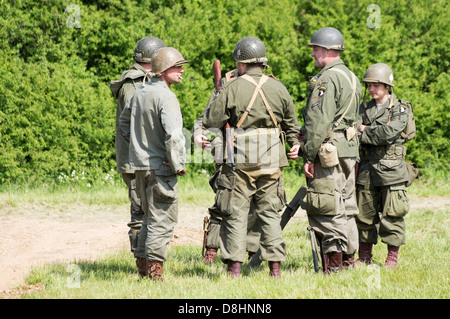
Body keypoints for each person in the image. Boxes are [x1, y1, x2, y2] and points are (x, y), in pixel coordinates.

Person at [202, 36, 301, 278]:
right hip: (272, 158)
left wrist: (218, 96)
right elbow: (292, 126)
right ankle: (275, 269)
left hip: (240, 157)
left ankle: (234, 270)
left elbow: (211, 122)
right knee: (269, 214)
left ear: (242, 63)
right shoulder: (279, 87)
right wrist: (295, 144)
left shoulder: (232, 87)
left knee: (236, 213)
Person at [121, 47, 188, 280]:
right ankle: (154, 274)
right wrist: (178, 164)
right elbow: (174, 136)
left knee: (148, 218)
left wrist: (139, 148)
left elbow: (123, 125)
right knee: (162, 219)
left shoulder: (140, 92)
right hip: (161, 167)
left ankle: (142, 267)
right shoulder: (167, 96)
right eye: (177, 67)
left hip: (140, 166)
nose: (181, 71)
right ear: (163, 70)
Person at [298, 27, 361, 274]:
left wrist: (308, 154)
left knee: (327, 205)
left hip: (328, 152)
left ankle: (333, 267)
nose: (312, 53)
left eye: (315, 48)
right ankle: (348, 260)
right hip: (348, 150)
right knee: (346, 206)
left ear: (327, 50)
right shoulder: (352, 77)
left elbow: (319, 121)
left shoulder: (327, 78)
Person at [109, 36, 166, 254]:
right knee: (140, 212)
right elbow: (134, 123)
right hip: (136, 160)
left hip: (139, 157)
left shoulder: (140, 80)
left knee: (146, 209)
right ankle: (141, 261)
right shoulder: (135, 83)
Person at [355, 63, 412, 268]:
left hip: (392, 170)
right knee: (364, 215)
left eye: (376, 85)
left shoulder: (401, 108)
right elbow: (351, 130)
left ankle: (392, 259)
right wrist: (365, 130)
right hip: (367, 169)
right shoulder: (363, 108)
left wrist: (363, 130)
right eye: (369, 85)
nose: (372, 89)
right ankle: (364, 257)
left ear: (388, 86)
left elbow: (389, 134)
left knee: (392, 215)